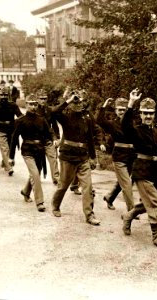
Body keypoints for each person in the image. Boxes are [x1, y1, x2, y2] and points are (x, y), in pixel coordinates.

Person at [120, 89, 157, 249]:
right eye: (145, 113)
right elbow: (124, 125)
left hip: (155, 172)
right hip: (141, 171)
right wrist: (130, 103)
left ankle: (128, 216)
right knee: (153, 203)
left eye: (151, 113)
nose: (148, 116)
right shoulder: (135, 131)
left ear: (154, 115)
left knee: (147, 204)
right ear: (140, 114)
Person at [50, 89, 106, 225]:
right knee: (63, 184)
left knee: (87, 186)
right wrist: (68, 100)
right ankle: (55, 205)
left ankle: (89, 215)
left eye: (80, 101)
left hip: (83, 157)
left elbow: (90, 139)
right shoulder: (65, 115)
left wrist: (93, 158)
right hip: (68, 156)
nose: (79, 104)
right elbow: (53, 112)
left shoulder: (87, 117)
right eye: (76, 101)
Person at [9, 94, 53, 212]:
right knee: (35, 175)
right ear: (26, 104)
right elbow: (14, 139)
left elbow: (49, 134)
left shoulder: (41, 119)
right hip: (27, 150)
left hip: (39, 151)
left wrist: (53, 141)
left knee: (35, 173)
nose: (33, 106)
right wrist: (11, 157)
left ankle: (25, 192)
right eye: (30, 104)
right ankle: (40, 202)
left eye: (35, 104)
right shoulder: (20, 121)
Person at [97, 97, 136, 211]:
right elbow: (99, 120)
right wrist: (104, 105)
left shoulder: (131, 123)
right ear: (115, 111)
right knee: (127, 184)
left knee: (123, 182)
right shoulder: (112, 124)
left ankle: (110, 197)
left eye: (124, 110)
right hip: (119, 157)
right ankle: (132, 210)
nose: (122, 112)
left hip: (131, 156)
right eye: (119, 110)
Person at [0, 85, 23, 176]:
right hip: (1, 129)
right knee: (4, 148)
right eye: (1, 95)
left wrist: (21, 121)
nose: (3, 97)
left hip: (12, 130)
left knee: (10, 147)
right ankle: (9, 167)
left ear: (8, 95)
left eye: (5, 95)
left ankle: (5, 162)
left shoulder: (13, 105)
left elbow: (20, 115)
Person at [36, 89, 60, 184]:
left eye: (45, 98)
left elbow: (54, 125)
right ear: (37, 99)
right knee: (38, 161)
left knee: (53, 158)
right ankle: (36, 176)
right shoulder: (34, 109)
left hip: (48, 138)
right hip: (37, 139)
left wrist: (57, 138)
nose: (43, 101)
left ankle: (56, 177)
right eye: (41, 98)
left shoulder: (49, 110)